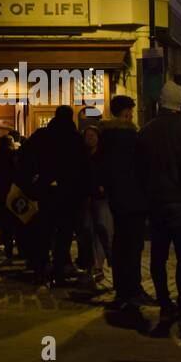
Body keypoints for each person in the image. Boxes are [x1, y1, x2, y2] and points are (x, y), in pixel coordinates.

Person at [139, 81, 181, 322]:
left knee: (158, 256)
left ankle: (164, 301)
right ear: (179, 104)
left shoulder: (145, 132)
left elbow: (139, 170)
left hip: (156, 202)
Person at [23, 107, 88, 285]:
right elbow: (82, 166)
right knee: (64, 232)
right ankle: (59, 268)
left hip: (46, 190)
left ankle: (40, 266)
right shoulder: (75, 138)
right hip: (69, 192)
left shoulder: (42, 135)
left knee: (44, 229)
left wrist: (34, 180)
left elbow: (25, 157)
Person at [99, 94, 149, 308]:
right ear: (127, 113)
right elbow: (142, 168)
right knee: (134, 245)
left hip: (116, 199)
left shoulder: (106, 136)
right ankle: (134, 288)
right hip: (135, 198)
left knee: (120, 243)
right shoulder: (131, 137)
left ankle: (122, 289)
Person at [77, 123, 113, 289]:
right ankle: (91, 265)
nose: (90, 139)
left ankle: (100, 264)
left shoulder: (104, 156)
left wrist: (104, 186)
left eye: (92, 136)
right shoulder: (82, 157)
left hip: (100, 197)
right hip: (86, 197)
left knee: (102, 228)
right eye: (87, 136)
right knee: (87, 230)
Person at [0, 134, 20, 263]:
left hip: (2, 192)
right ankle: (22, 250)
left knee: (6, 224)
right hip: (16, 192)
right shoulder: (16, 156)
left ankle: (8, 254)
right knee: (18, 222)